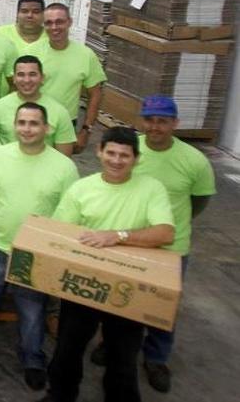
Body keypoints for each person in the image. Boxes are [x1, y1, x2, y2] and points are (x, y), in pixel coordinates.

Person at [91, 96, 215, 393]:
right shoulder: (131, 150)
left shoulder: (194, 161)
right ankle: (111, 343)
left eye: (162, 121)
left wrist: (175, 224)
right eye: (150, 120)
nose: (155, 127)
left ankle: (156, 358)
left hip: (171, 248)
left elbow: (200, 201)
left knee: (162, 308)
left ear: (175, 123)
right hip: (130, 241)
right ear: (141, 121)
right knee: (119, 298)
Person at [44, 127, 175, 402]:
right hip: (83, 283)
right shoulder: (82, 188)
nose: (116, 160)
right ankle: (60, 396)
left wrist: (117, 236)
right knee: (67, 350)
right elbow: (60, 233)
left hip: (128, 287)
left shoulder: (151, 189)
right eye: (111, 153)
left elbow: (165, 232)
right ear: (99, 152)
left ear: (136, 158)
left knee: (123, 356)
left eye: (124, 155)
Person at [0, 102, 78, 391]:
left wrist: (54, 255)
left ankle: (33, 359)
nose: (27, 129)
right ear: (15, 125)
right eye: (22, 122)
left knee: (33, 311)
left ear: (46, 129)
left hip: (35, 256)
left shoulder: (64, 167)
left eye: (34, 123)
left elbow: (70, 217)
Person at [26, 3, 105, 150]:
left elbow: (95, 94)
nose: (54, 27)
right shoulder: (31, 52)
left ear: (69, 22)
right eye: (49, 23)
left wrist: (86, 130)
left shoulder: (86, 56)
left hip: (66, 126)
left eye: (59, 22)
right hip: (33, 123)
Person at [0, 55, 76, 156]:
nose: (27, 80)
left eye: (32, 74)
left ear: (42, 78)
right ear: (14, 78)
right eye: (21, 75)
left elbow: (64, 158)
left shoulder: (60, 112)